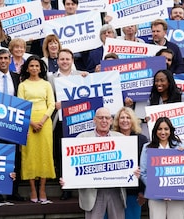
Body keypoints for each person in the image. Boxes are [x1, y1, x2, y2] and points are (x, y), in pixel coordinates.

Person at [48, 48, 88, 201]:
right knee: (61, 154)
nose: (64, 62)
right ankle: (65, 187)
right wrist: (54, 104)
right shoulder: (51, 78)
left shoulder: (82, 76)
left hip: (79, 120)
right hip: (60, 120)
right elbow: (47, 97)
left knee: (78, 152)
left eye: (67, 59)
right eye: (62, 59)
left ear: (72, 61)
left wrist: (87, 77)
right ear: (57, 61)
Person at [18, 55, 56, 204]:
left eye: (37, 66)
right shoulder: (23, 85)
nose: (34, 68)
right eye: (31, 66)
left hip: (44, 121)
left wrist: (42, 121)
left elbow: (52, 104)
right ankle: (33, 188)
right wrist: (32, 122)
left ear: (41, 68)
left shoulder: (46, 84)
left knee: (45, 153)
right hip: (28, 121)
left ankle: (42, 188)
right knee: (30, 154)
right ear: (27, 68)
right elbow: (20, 106)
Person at [76, 107, 126, 219]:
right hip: (93, 191)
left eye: (107, 118)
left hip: (116, 190)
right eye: (100, 118)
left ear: (111, 121)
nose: (104, 120)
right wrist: (69, 178)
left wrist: (133, 172)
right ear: (94, 120)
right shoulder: (82, 138)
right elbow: (73, 165)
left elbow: (128, 164)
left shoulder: (122, 138)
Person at [0, 49, 24, 203]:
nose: (3, 61)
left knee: (14, 158)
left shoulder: (17, 78)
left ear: (10, 60)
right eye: (1, 58)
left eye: (6, 58)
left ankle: (13, 191)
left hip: (13, 124)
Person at [139, 117, 184, 219]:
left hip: (177, 195)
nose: (163, 132)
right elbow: (143, 173)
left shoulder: (180, 146)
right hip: (155, 195)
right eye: (160, 129)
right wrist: (160, 189)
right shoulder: (147, 148)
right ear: (155, 130)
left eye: (166, 129)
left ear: (171, 130)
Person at [113, 107, 148, 219]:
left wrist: (142, 191)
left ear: (133, 120)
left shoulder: (142, 139)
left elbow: (145, 166)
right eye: (122, 117)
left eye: (128, 117)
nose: (125, 120)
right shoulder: (110, 138)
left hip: (134, 191)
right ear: (117, 121)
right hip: (115, 191)